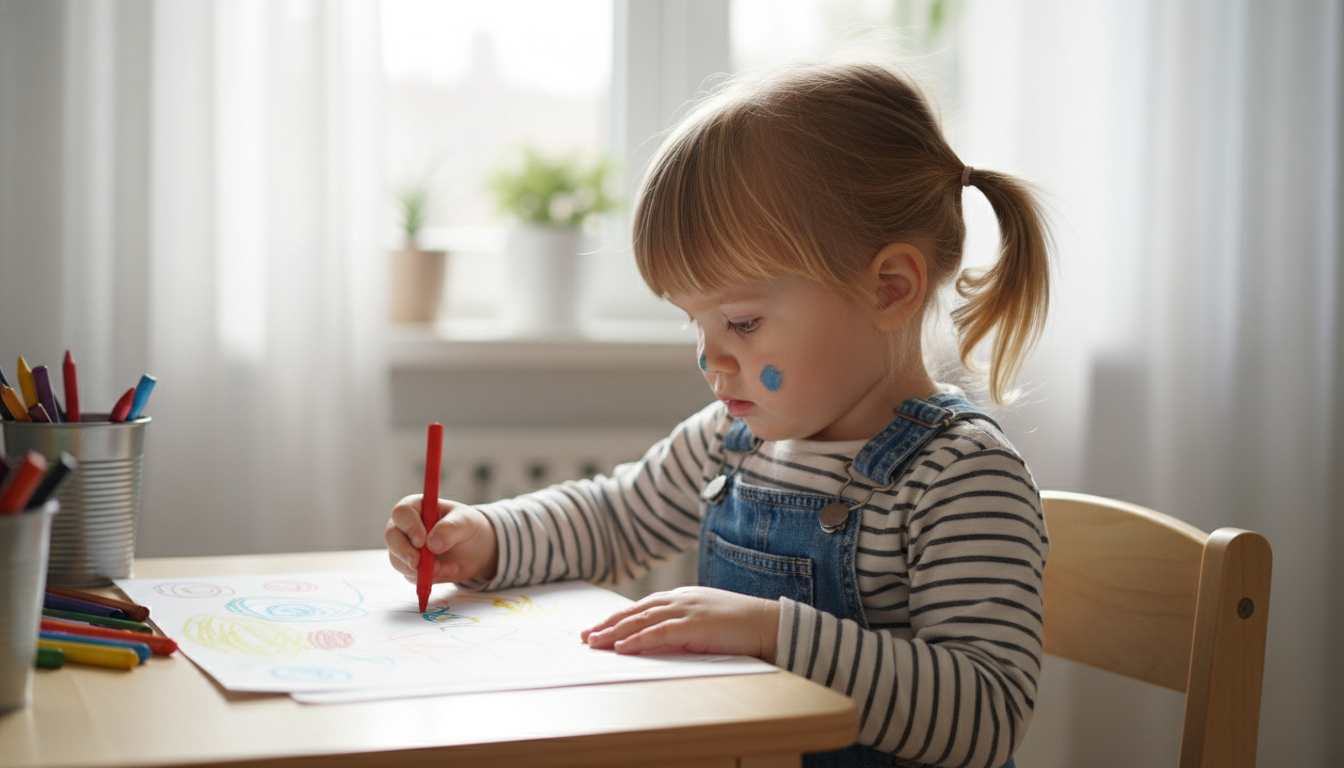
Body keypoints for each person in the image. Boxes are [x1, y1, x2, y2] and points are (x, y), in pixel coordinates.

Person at [385, 58, 1051, 768]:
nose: (711, 359)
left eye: (741, 321)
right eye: (693, 323)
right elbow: (616, 518)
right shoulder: (734, 441)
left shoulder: (962, 477)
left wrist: (771, 632)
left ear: (889, 288)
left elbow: (987, 713)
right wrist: (488, 536)